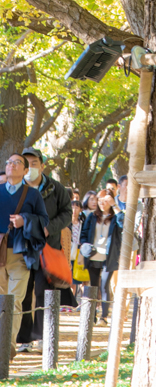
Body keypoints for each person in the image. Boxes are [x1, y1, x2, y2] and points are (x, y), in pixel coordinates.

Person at [16, 148, 74, 353]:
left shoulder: (56, 188)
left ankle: (42, 336)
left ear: (42, 165)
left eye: (34, 163)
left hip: (48, 249)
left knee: (43, 292)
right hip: (21, 249)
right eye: (27, 163)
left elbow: (67, 213)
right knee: (22, 293)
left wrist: (50, 227)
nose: (31, 167)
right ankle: (24, 339)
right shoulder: (15, 187)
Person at [0, 154, 48, 353]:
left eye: (17, 162)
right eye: (9, 162)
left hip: (21, 253)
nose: (11, 165)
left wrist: (24, 220)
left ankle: (7, 348)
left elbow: (44, 221)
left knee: (14, 300)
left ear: (25, 171)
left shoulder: (33, 195)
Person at [80, 189, 123, 325]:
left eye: (105, 201)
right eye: (99, 200)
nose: (102, 203)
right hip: (93, 256)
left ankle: (103, 317)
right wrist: (85, 246)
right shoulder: (92, 217)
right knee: (93, 286)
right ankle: (91, 316)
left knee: (104, 286)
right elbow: (84, 234)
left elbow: (124, 225)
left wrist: (115, 207)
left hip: (108, 256)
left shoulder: (116, 217)